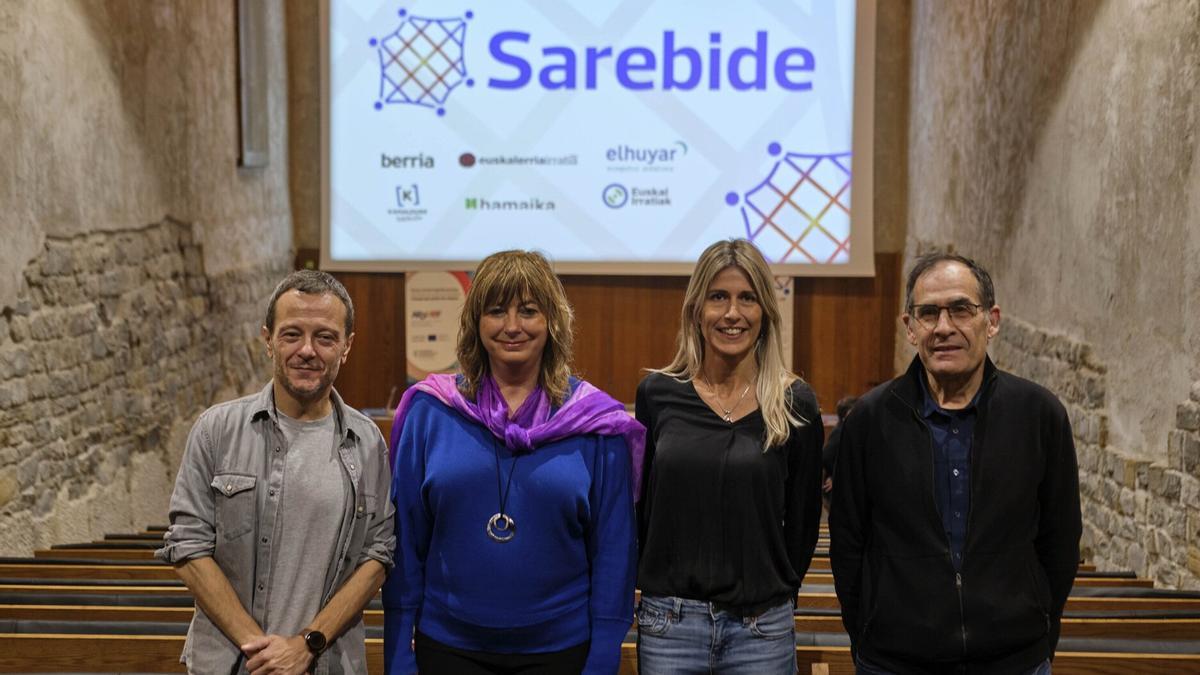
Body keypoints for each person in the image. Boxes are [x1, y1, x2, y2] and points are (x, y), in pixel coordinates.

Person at [383, 250, 643, 675]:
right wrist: (398, 652)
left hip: (562, 650)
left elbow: (614, 550)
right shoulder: (431, 411)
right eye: (496, 310)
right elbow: (407, 539)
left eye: (528, 311)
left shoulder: (597, 422)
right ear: (475, 322)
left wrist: (603, 654)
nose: (512, 326)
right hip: (448, 647)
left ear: (553, 322)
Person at [829, 252, 1082, 674]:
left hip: (1013, 661)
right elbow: (849, 545)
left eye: (961, 309)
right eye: (929, 313)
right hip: (895, 662)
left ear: (992, 320)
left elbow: (1060, 540)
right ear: (910, 328)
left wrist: (1035, 630)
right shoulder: (870, 422)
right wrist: (872, 636)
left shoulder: (1039, 415)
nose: (944, 327)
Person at [156, 270, 396, 674]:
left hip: (329, 663)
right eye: (291, 334)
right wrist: (263, 652)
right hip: (231, 664)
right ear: (268, 339)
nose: (307, 350)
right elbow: (188, 547)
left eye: (325, 337)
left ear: (346, 346)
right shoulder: (217, 431)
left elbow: (378, 554)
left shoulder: (368, 442)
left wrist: (306, 644)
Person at [635, 239, 824, 675]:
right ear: (697, 309)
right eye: (718, 297)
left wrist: (773, 595)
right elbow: (641, 507)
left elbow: (802, 522)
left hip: (761, 628)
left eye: (747, 298)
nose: (732, 313)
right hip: (670, 625)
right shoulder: (658, 395)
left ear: (765, 312)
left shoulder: (796, 402)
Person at [821, 395, 858, 496]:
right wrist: (835, 475)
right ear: (847, 414)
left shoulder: (849, 430)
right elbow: (826, 457)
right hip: (836, 488)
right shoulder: (840, 432)